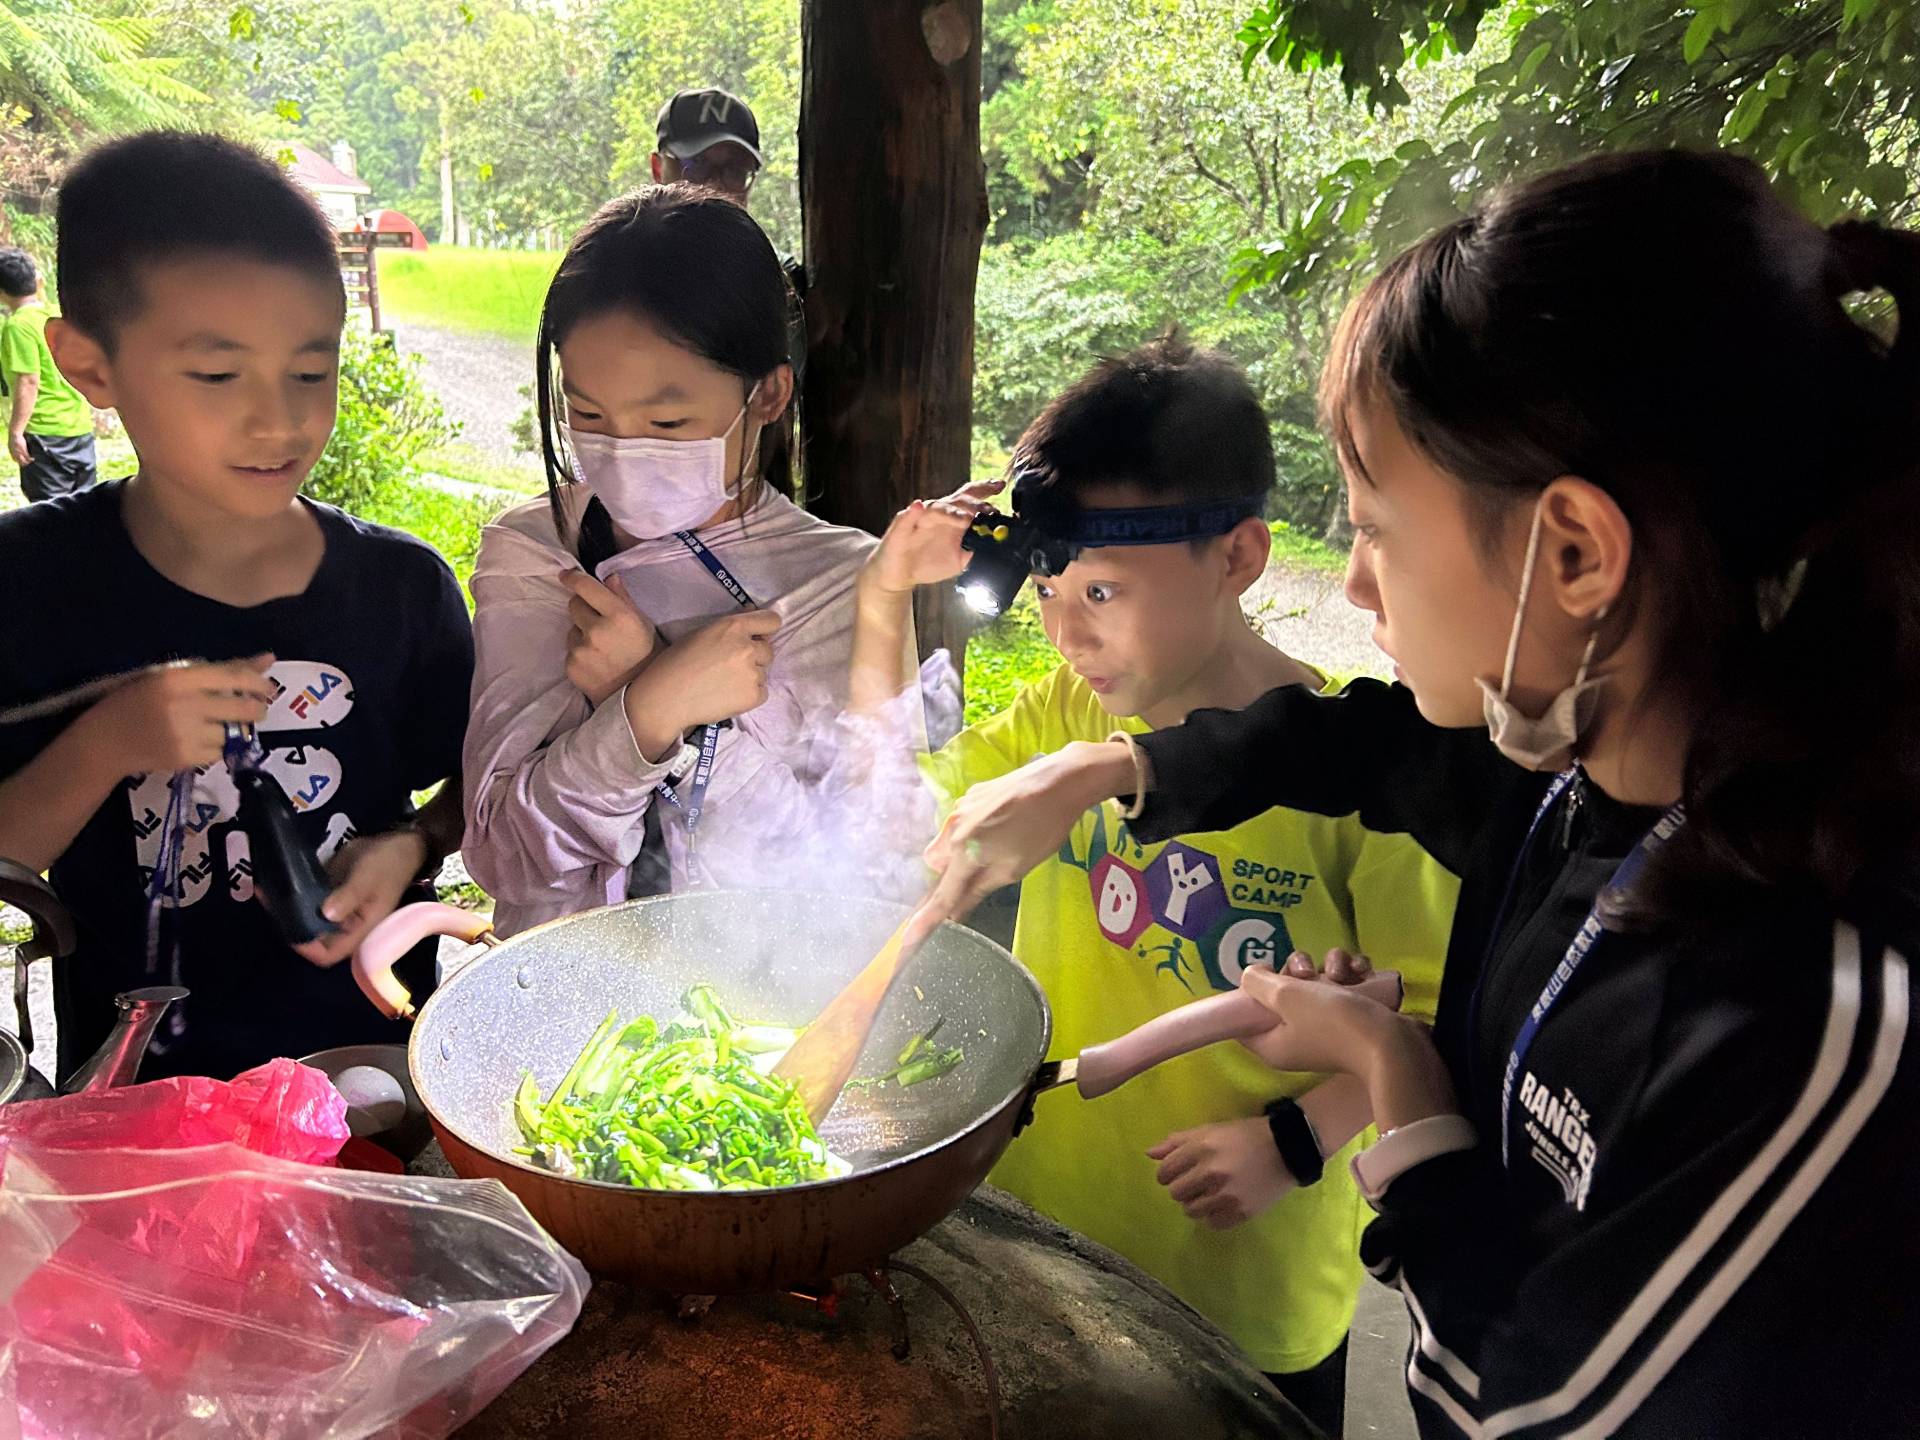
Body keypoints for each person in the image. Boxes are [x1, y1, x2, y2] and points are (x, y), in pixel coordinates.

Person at [910, 150, 1920, 1436]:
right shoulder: (1573, 785)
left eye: (1377, 526)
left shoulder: (1806, 1025)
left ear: (1573, 552)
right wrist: (1125, 766)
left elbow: (1526, 1412)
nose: (1356, 588)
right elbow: (1359, 748)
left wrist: (1400, 1099)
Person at [848, 336, 1461, 1434]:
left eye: (1101, 590)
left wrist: (1296, 1141)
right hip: (1047, 1223)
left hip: (1245, 1289)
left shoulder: (1371, 781)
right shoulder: (1069, 718)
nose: (1065, 631)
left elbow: (1433, 1024)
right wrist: (885, 595)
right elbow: (889, 811)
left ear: (1238, 556)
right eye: (1044, 592)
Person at [0, 132, 473, 1082]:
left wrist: (410, 843)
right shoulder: (29, 582)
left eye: (312, 370)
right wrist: (108, 742)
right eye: (218, 376)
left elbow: (472, 789)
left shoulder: (402, 589)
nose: (282, 421)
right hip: (143, 1098)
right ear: (88, 366)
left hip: (368, 1081)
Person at [462, 184, 915, 936]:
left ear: (767, 395)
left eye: (667, 420)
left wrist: (676, 723)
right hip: (562, 999)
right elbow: (506, 855)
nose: (623, 448)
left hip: (759, 1016)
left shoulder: (845, 584)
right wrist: (649, 708)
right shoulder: (534, 552)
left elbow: (861, 883)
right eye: (588, 414)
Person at [652, 86, 807, 389]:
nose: (715, 186)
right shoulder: (619, 274)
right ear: (658, 169)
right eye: (695, 166)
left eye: (734, 171)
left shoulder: (780, 286)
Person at [0, 246, 98, 501]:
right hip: (79, 430)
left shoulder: (19, 326)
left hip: (46, 436)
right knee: (85, 511)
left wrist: (16, 432)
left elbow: (28, 380)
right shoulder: (55, 315)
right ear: (36, 279)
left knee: (51, 518)